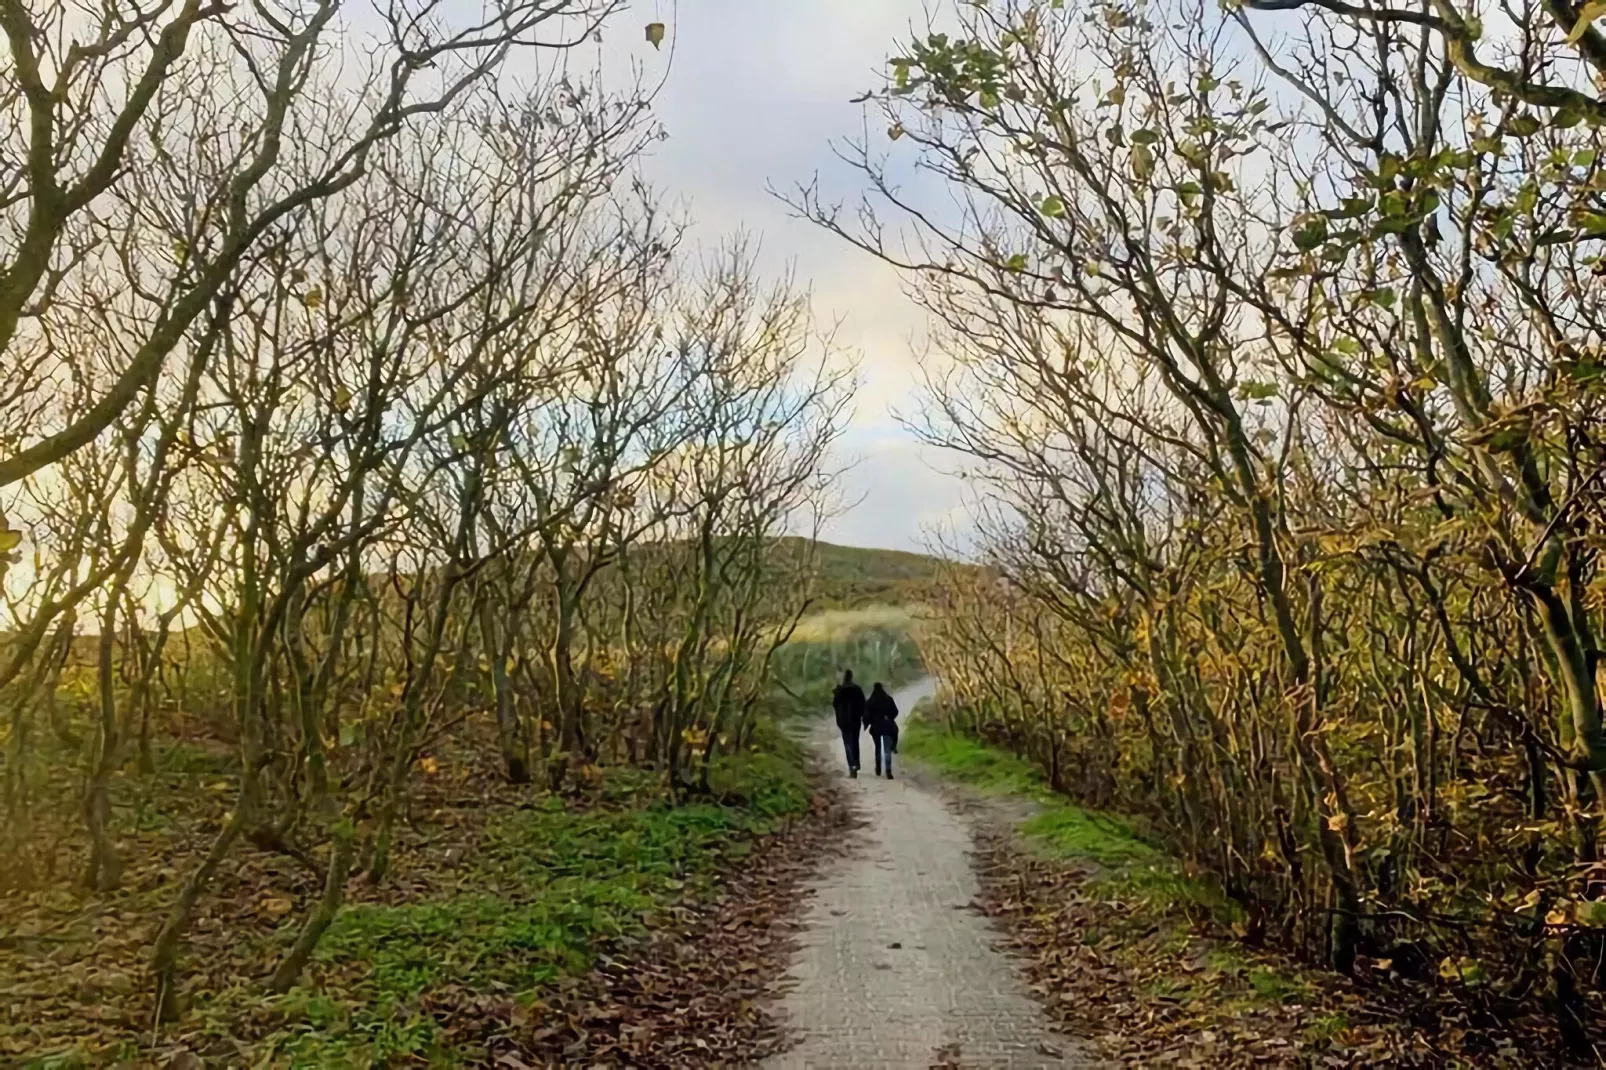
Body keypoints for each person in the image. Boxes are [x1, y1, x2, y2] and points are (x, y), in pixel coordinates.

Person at [831, 669, 867, 778]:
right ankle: (856, 763)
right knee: (855, 742)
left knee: (847, 743)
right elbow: (863, 704)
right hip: (855, 720)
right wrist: (862, 716)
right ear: (851, 677)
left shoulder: (840, 691)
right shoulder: (857, 689)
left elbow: (835, 705)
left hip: (844, 721)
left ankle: (852, 766)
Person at [866, 682, 899, 779]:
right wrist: (889, 718)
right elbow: (895, 712)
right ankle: (888, 770)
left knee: (878, 748)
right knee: (887, 750)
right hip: (887, 726)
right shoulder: (888, 699)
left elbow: (866, 714)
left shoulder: (871, 701)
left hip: (876, 727)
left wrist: (869, 722)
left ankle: (878, 768)